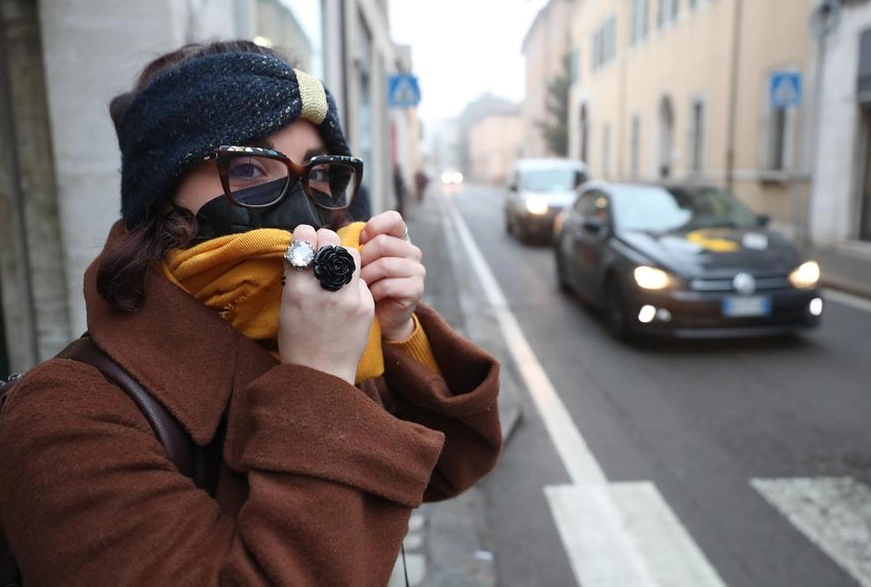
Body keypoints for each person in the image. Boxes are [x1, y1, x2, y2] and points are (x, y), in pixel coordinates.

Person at [0, 40, 502, 586]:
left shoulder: (301, 326)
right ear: (162, 195)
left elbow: (445, 468)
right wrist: (317, 383)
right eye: (248, 168)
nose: (302, 209)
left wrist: (398, 333)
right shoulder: (65, 417)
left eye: (319, 174)